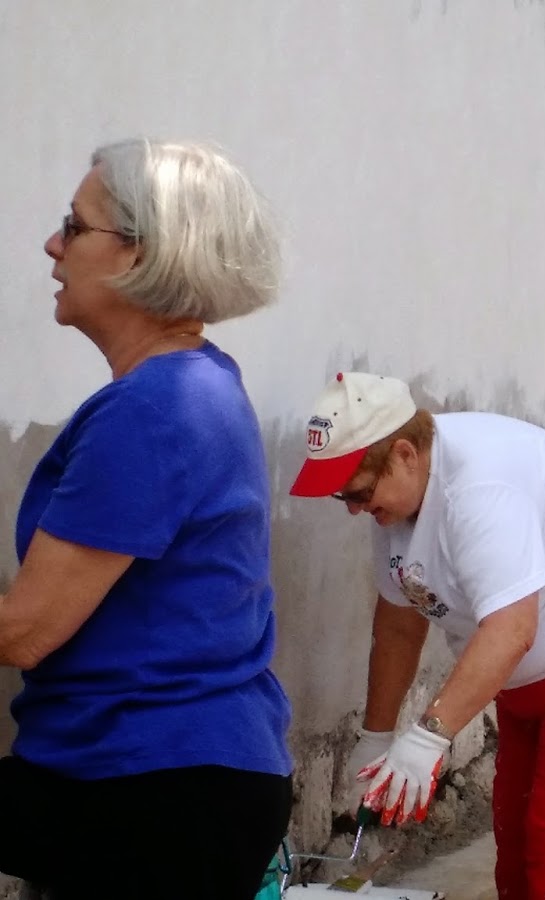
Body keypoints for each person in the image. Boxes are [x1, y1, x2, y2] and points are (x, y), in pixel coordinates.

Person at [0, 140, 293, 899]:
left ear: (143, 253)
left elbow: (26, 630)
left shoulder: (156, 408)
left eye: (75, 225)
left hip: (154, 786)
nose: (53, 245)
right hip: (152, 774)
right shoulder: (196, 382)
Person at [288, 372, 545, 900]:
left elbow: (512, 628)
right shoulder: (397, 503)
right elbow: (399, 623)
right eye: (341, 496)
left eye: (359, 492)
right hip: (531, 680)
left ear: (405, 454)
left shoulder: (480, 488)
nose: (352, 507)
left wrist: (429, 737)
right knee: (516, 836)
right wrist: (377, 735)